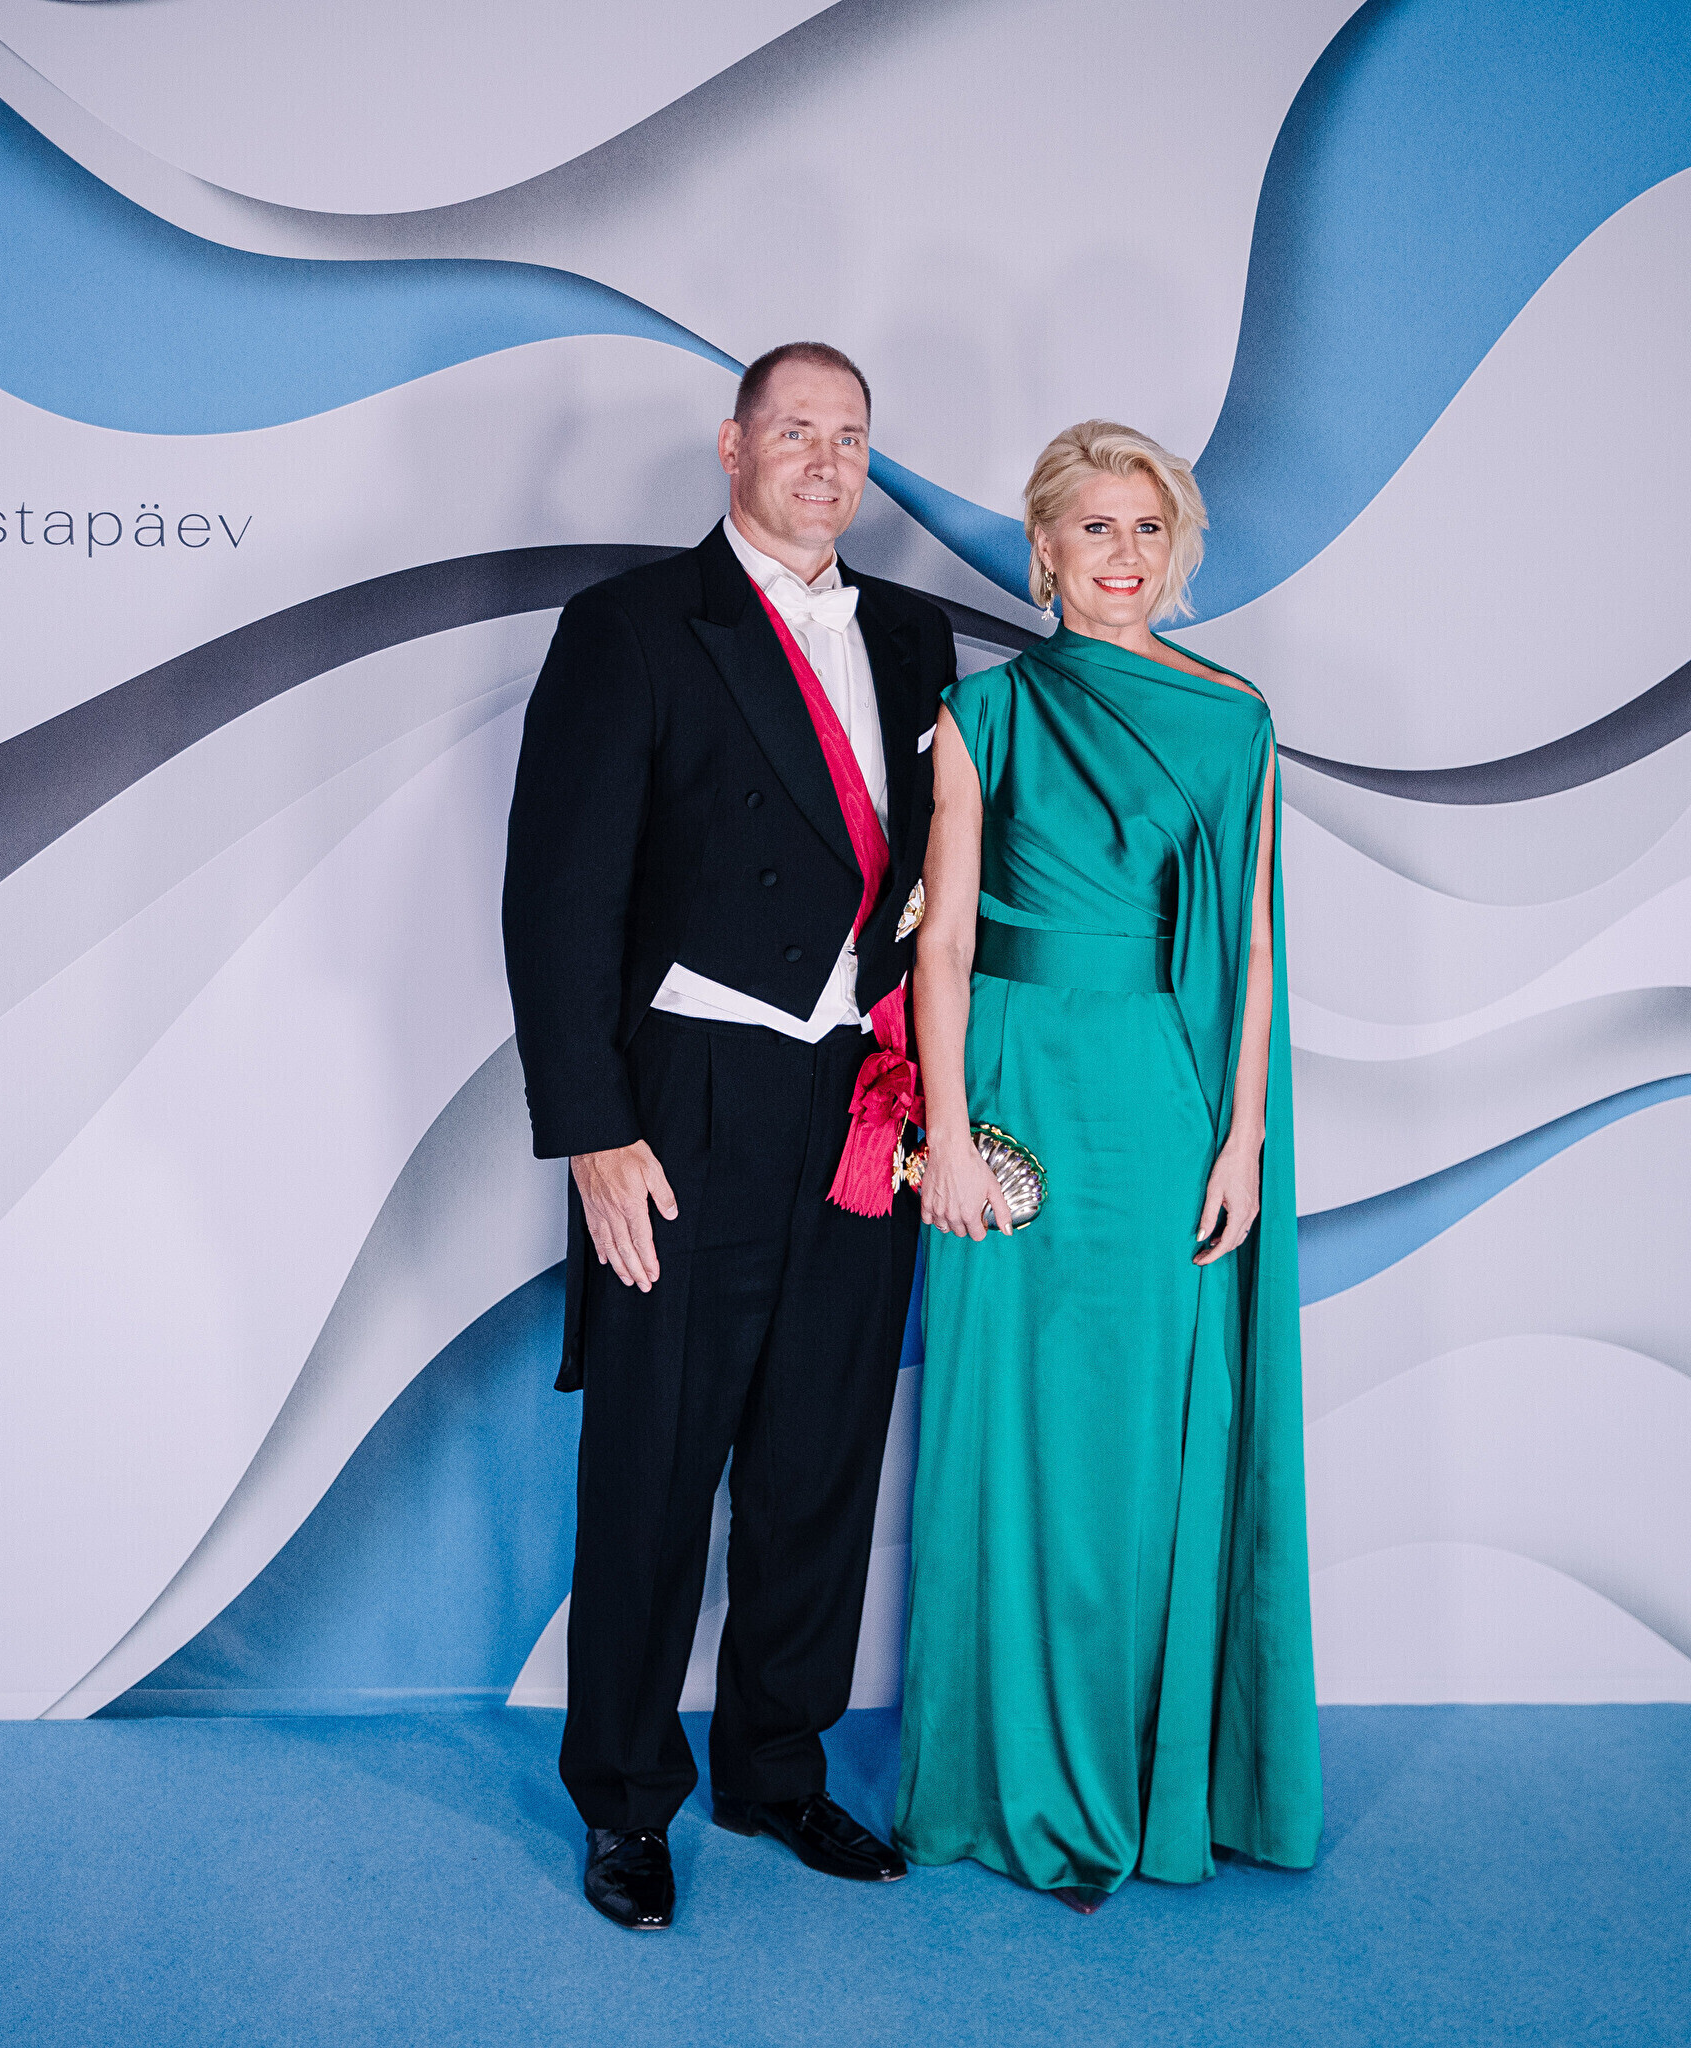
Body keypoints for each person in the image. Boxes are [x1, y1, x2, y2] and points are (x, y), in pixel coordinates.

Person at [502, 342, 957, 1930]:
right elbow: (557, 898)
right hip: (686, 1101)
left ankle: (776, 1764)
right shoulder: (631, 625)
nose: (827, 462)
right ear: (732, 445)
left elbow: (936, 883)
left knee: (822, 1454)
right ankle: (626, 1797)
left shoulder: (914, 635)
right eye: (796, 431)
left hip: (860, 1099)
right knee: (655, 1461)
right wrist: (593, 1131)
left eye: (852, 437)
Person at [895, 419, 1321, 1909]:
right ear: (1044, 549)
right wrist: (946, 1132)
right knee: (1005, 1423)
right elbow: (943, 944)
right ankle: (998, 1777)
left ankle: (1138, 1775)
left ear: (1177, 548)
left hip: (1155, 1102)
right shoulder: (985, 712)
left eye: (1148, 529)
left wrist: (1244, 1138)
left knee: (1134, 1433)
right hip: (1010, 1092)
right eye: (1095, 528)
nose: (1122, 556)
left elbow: (1252, 952)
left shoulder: (1234, 721)